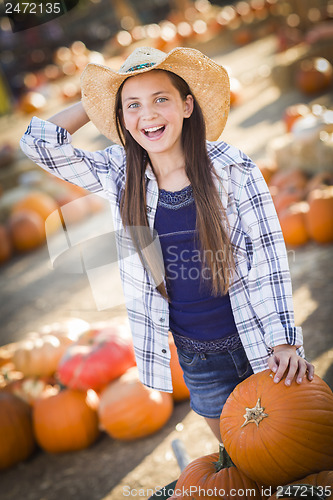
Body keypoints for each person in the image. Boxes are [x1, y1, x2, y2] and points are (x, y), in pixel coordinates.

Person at [20, 46, 314, 442]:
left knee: (296, 448)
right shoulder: (119, 173)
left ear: (187, 106)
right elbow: (38, 144)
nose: (149, 115)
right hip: (197, 360)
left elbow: (268, 257)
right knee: (243, 459)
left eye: (161, 99)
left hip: (259, 340)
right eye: (133, 105)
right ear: (121, 117)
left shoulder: (231, 167)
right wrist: (97, 103)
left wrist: (284, 341)